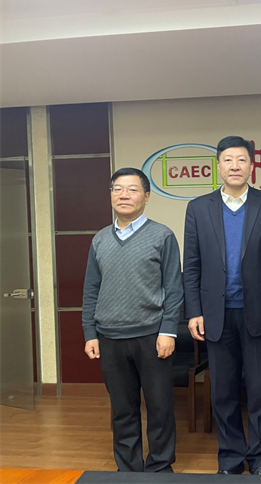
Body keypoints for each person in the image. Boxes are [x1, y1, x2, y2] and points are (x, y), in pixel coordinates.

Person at [183, 135, 261, 475]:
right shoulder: (198, 208)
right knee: (223, 392)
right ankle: (230, 459)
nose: (235, 166)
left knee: (260, 390)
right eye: (228, 160)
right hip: (216, 314)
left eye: (241, 160)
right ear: (218, 166)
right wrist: (194, 311)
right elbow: (192, 266)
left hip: (259, 312)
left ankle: (259, 459)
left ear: (252, 166)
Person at [82, 167, 183, 473]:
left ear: (147, 197)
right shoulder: (100, 239)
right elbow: (91, 289)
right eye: (117, 189)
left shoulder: (162, 236)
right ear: (111, 195)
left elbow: (174, 288)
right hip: (109, 337)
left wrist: (168, 331)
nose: (124, 195)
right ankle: (128, 471)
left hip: (152, 336)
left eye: (132, 189)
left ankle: (160, 468)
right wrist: (90, 333)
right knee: (122, 410)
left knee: (160, 408)